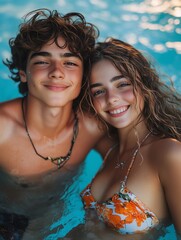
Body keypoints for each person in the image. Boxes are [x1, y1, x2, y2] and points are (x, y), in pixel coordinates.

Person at [0, 9, 113, 239]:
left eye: (70, 63)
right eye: (42, 61)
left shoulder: (93, 128)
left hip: (55, 225)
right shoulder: (3, 128)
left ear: (83, 76)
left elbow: (136, 157)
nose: (57, 72)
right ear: (23, 73)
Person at [80, 38, 181, 240]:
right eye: (99, 91)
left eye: (122, 84)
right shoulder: (108, 149)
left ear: (143, 84)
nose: (111, 98)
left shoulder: (169, 154)